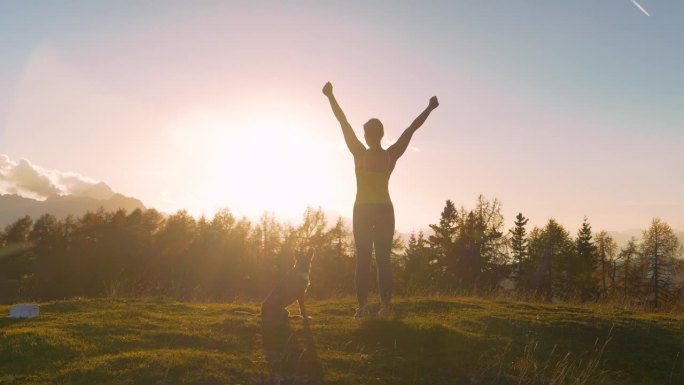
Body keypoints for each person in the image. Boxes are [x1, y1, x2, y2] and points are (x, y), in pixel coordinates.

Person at [322, 82, 438, 319]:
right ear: (382, 135)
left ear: (365, 135)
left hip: (362, 210)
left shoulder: (358, 152)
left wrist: (330, 96)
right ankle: (385, 306)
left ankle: (362, 308)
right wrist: (429, 108)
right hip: (385, 210)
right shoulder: (390, 155)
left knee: (363, 260)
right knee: (384, 260)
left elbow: (343, 122)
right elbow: (410, 130)